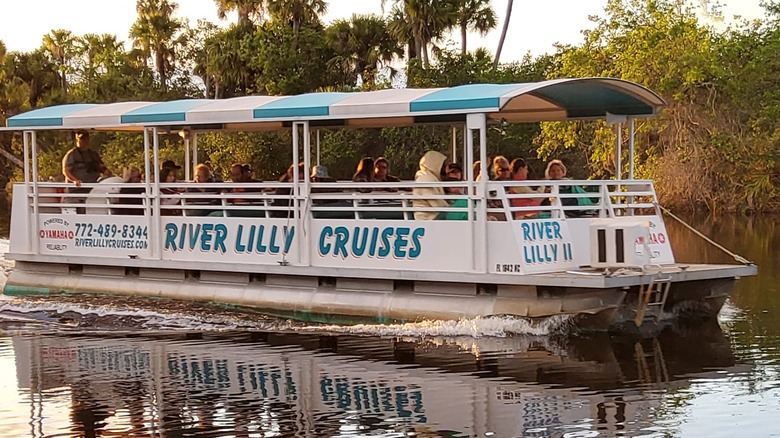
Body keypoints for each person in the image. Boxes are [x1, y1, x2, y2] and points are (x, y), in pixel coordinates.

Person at [413, 151, 449, 220]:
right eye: (443, 164)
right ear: (435, 164)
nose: (446, 167)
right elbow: (437, 204)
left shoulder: (431, 177)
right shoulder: (425, 179)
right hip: (428, 218)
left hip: (435, 215)